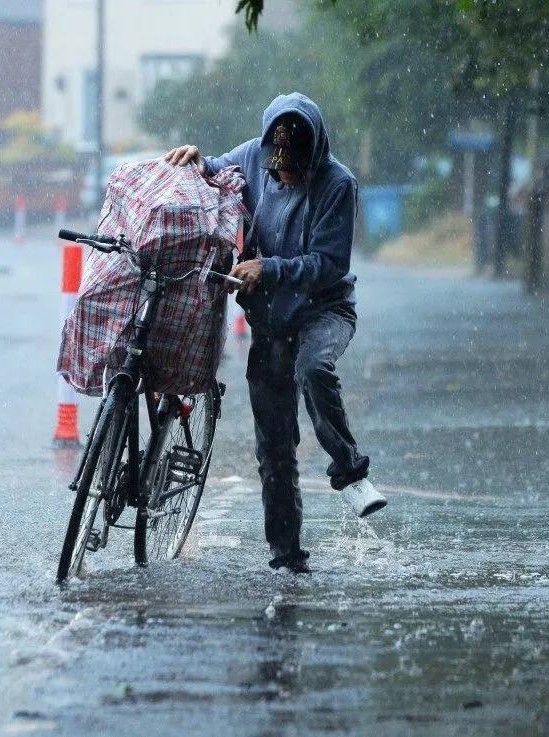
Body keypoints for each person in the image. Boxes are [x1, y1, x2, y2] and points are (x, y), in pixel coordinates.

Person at [165, 92, 386, 574]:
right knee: (274, 451)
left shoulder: (337, 184)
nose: (284, 176)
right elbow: (217, 170)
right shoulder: (252, 156)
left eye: (294, 169)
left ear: (314, 155)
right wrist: (195, 160)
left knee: (314, 368)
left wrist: (270, 268)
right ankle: (287, 557)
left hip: (323, 310)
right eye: (277, 168)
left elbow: (329, 265)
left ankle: (349, 471)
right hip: (269, 318)